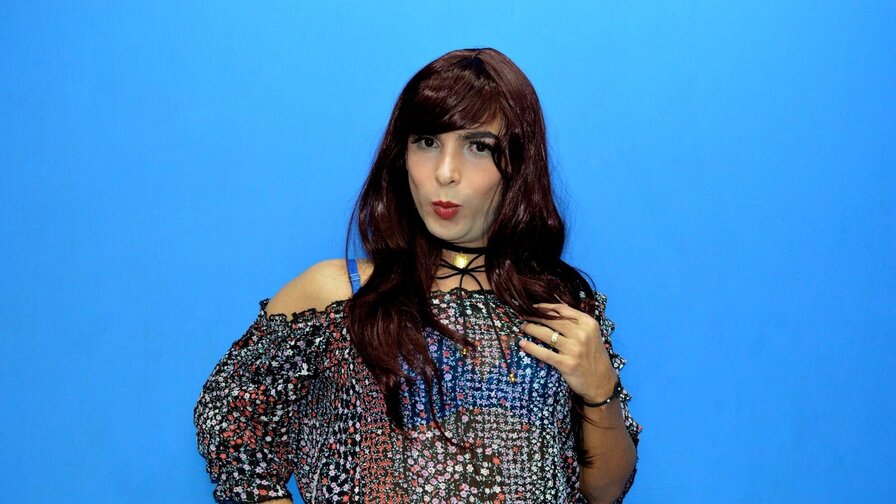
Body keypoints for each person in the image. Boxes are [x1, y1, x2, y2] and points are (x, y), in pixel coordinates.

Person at [193, 47, 642, 504]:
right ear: (401, 155)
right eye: (427, 142)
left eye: (478, 146)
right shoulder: (338, 296)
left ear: (519, 163)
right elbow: (228, 421)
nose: (445, 173)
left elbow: (605, 492)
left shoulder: (561, 306)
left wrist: (600, 391)